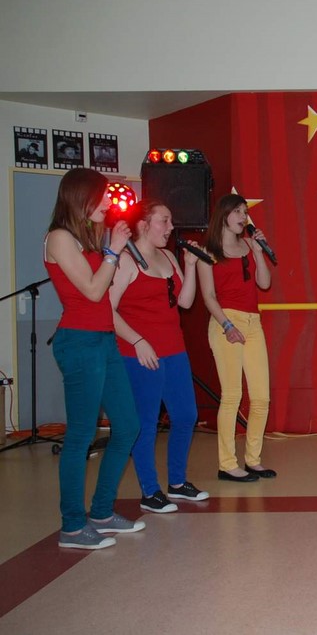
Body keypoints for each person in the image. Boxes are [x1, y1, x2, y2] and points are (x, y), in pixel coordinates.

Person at [45, 167, 144, 549]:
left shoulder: (89, 238)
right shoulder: (59, 238)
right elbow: (91, 291)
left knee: (128, 426)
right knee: (82, 435)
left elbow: (103, 294)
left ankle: (101, 512)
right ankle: (72, 526)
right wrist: (113, 251)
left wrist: (110, 249)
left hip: (103, 341)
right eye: (102, 196)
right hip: (79, 342)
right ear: (80, 197)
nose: (108, 202)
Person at [109, 200, 209, 513]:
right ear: (143, 224)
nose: (170, 228)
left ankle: (177, 483)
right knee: (147, 422)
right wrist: (138, 341)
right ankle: (150, 491)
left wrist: (190, 267)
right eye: (164, 221)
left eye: (170, 221)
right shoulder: (126, 261)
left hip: (174, 349)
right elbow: (107, 310)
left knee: (186, 415)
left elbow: (185, 302)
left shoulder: (167, 256)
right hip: (140, 354)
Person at [197, 194, 276, 482]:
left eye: (245, 211)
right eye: (238, 211)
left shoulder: (248, 245)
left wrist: (258, 252)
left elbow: (264, 283)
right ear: (224, 215)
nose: (244, 217)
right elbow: (208, 296)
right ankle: (227, 464)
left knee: (261, 397)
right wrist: (228, 325)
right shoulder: (208, 251)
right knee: (232, 396)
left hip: (253, 322)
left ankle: (253, 460)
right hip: (225, 322)